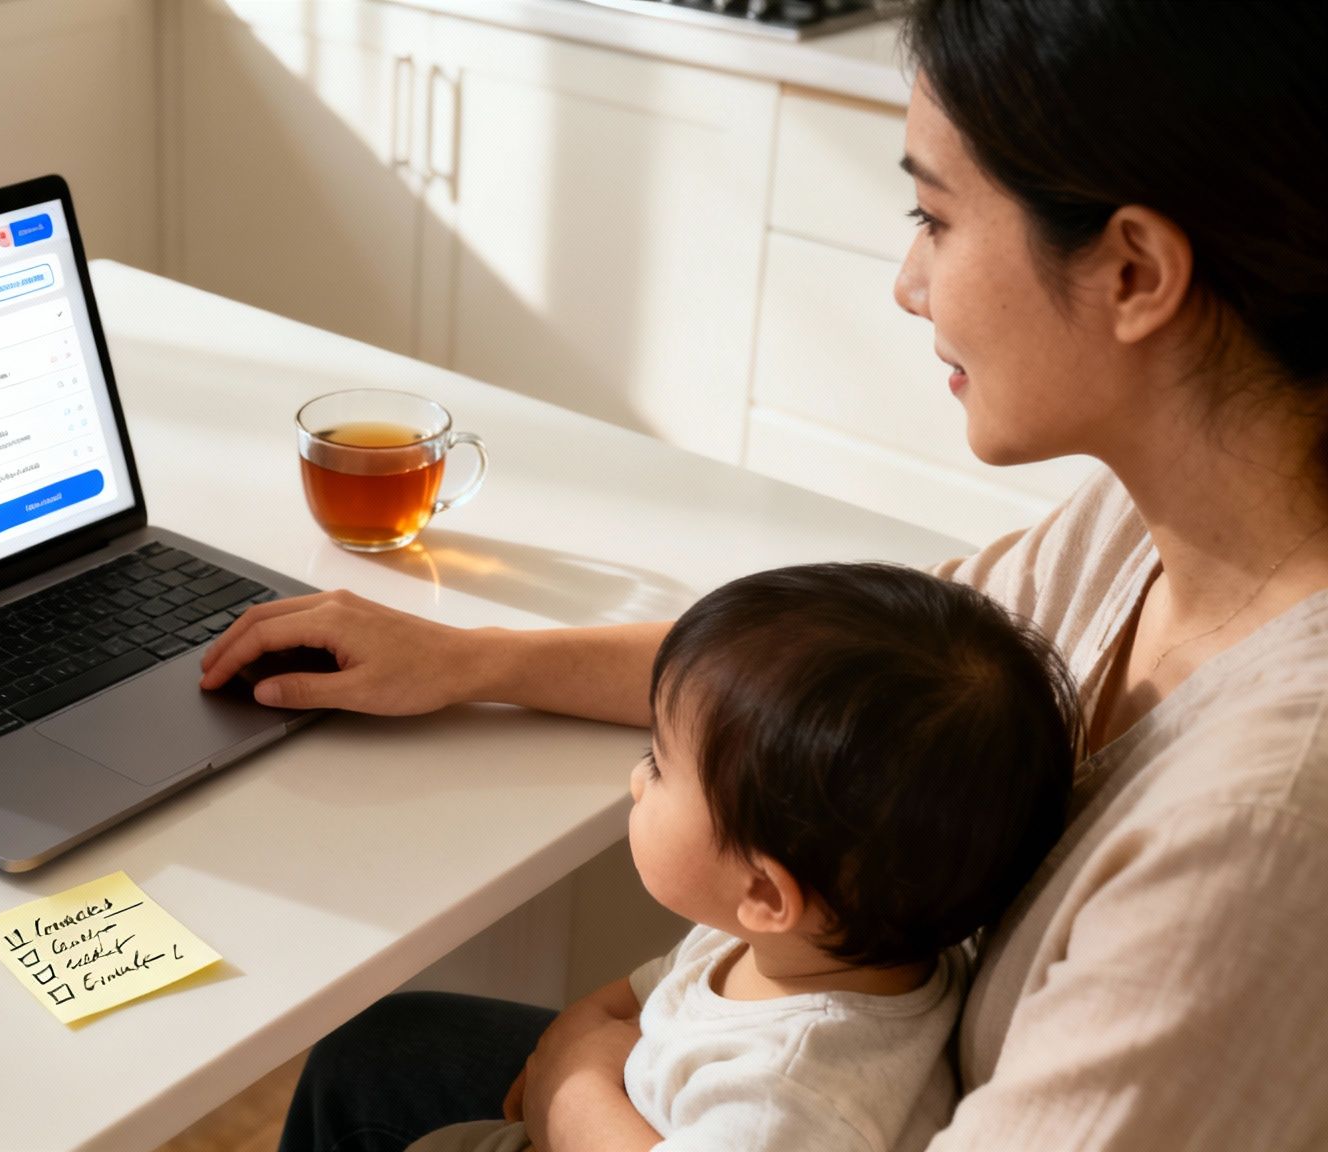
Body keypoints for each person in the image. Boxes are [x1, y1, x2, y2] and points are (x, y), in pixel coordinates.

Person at [199, 1, 1328, 1148]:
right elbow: (820, 680)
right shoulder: (1138, 526)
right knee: (376, 1055)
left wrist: (578, 1094)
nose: (906, 282)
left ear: (1132, 271)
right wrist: (470, 659)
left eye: (932, 218)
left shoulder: (1262, 832)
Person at [406, 564, 1076, 1152]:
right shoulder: (825, 941)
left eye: (659, 764)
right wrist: (579, 1032)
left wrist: (572, 1079)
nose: (637, 780)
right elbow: (653, 986)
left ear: (764, 890)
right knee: (386, 1042)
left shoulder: (788, 1103)